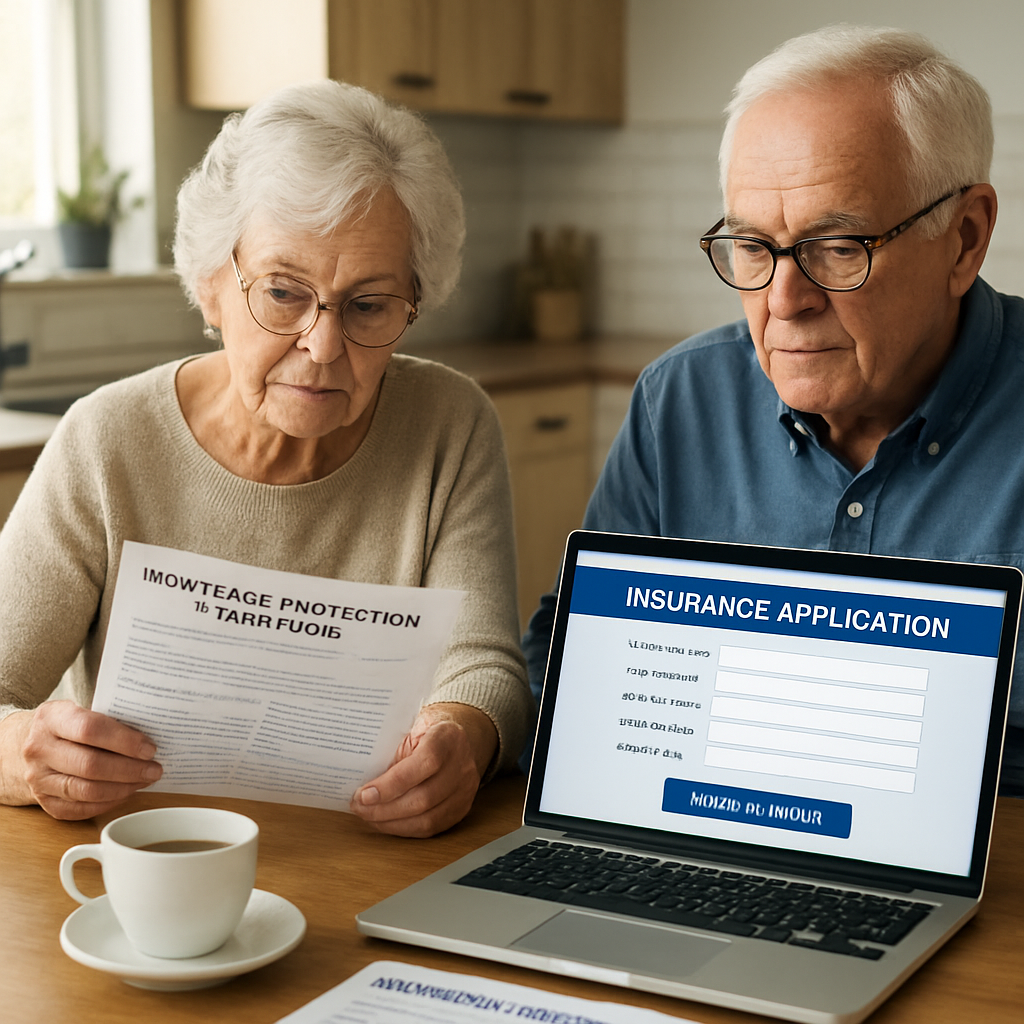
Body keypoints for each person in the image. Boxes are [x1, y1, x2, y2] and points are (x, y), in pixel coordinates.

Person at [0, 80, 533, 834]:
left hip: (364, 854)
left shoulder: (451, 424)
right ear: (211, 286)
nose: (322, 347)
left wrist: (463, 738)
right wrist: (26, 751)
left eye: (369, 305)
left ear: (414, 305)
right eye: (284, 293)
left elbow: (484, 667)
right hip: (149, 863)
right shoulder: (107, 440)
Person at [522, 24, 1024, 796]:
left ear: (964, 239)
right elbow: (572, 658)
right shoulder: (679, 402)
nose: (784, 302)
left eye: (839, 245)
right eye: (753, 247)